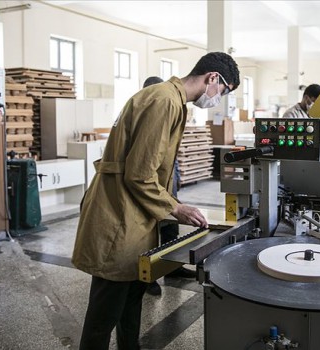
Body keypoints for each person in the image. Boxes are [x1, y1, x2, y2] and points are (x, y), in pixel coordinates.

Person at [72, 52, 240, 350]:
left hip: (136, 216)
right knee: (105, 312)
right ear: (213, 78)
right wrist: (175, 208)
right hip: (119, 215)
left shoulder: (168, 98)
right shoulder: (164, 101)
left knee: (131, 302)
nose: (218, 99)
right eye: (223, 92)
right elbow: (139, 175)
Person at [139, 76, 196, 297]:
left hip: (166, 182)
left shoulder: (169, 105)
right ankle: (149, 276)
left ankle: (172, 267)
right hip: (150, 188)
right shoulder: (149, 110)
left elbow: (169, 153)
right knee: (150, 231)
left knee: (171, 226)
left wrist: (176, 177)